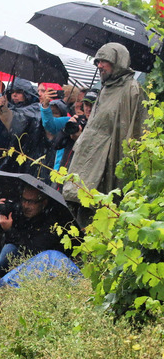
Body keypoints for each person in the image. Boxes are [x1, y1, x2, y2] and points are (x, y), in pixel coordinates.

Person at [64, 42, 146, 225]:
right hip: (90, 162)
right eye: (98, 61)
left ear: (119, 62)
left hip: (111, 163)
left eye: (105, 61)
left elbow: (134, 132)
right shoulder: (105, 89)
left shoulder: (131, 90)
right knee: (79, 214)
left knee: (103, 218)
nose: (99, 65)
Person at [0, 185, 67, 286]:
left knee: (10, 249)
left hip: (27, 264)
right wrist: (0, 211)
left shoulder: (50, 223)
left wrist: (9, 230)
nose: (26, 205)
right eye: (24, 200)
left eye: (31, 202)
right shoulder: (17, 210)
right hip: (1, 259)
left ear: (44, 202)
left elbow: (31, 249)